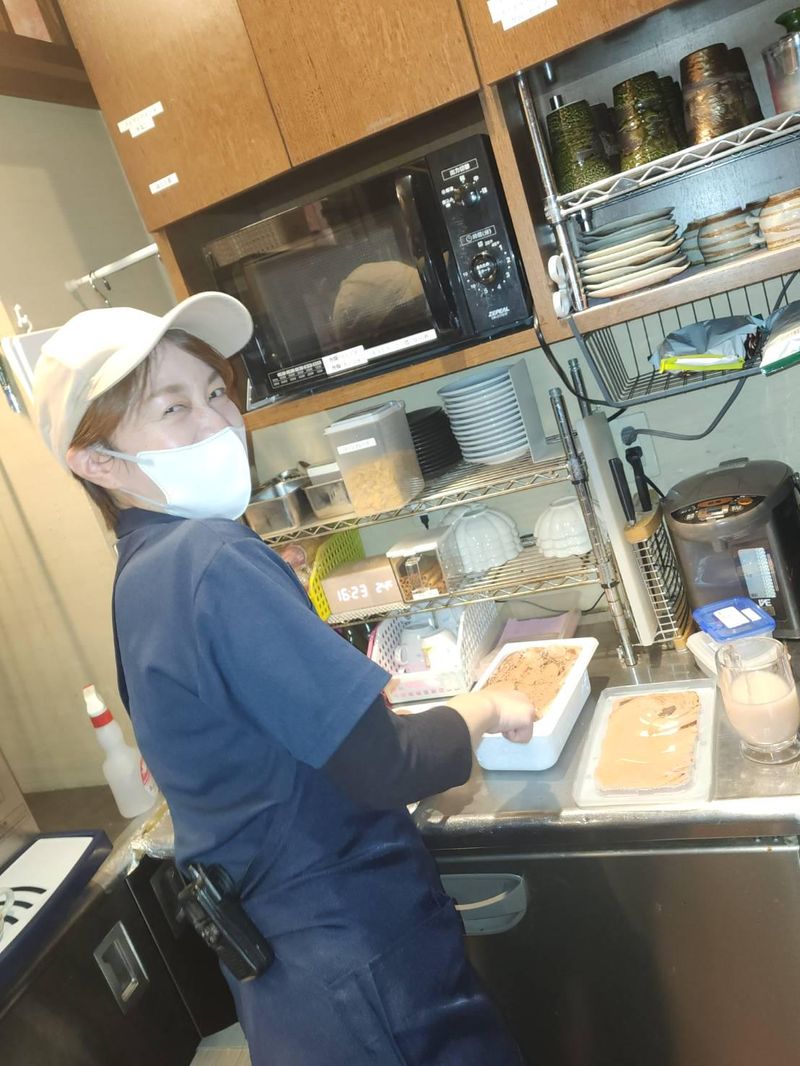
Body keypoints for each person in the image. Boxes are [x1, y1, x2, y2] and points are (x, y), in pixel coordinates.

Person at [33, 292, 533, 1066]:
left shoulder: (143, 572)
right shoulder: (210, 559)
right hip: (363, 965)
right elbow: (388, 764)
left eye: (215, 393)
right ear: (97, 462)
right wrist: (486, 705)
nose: (219, 424)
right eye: (173, 409)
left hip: (290, 979)